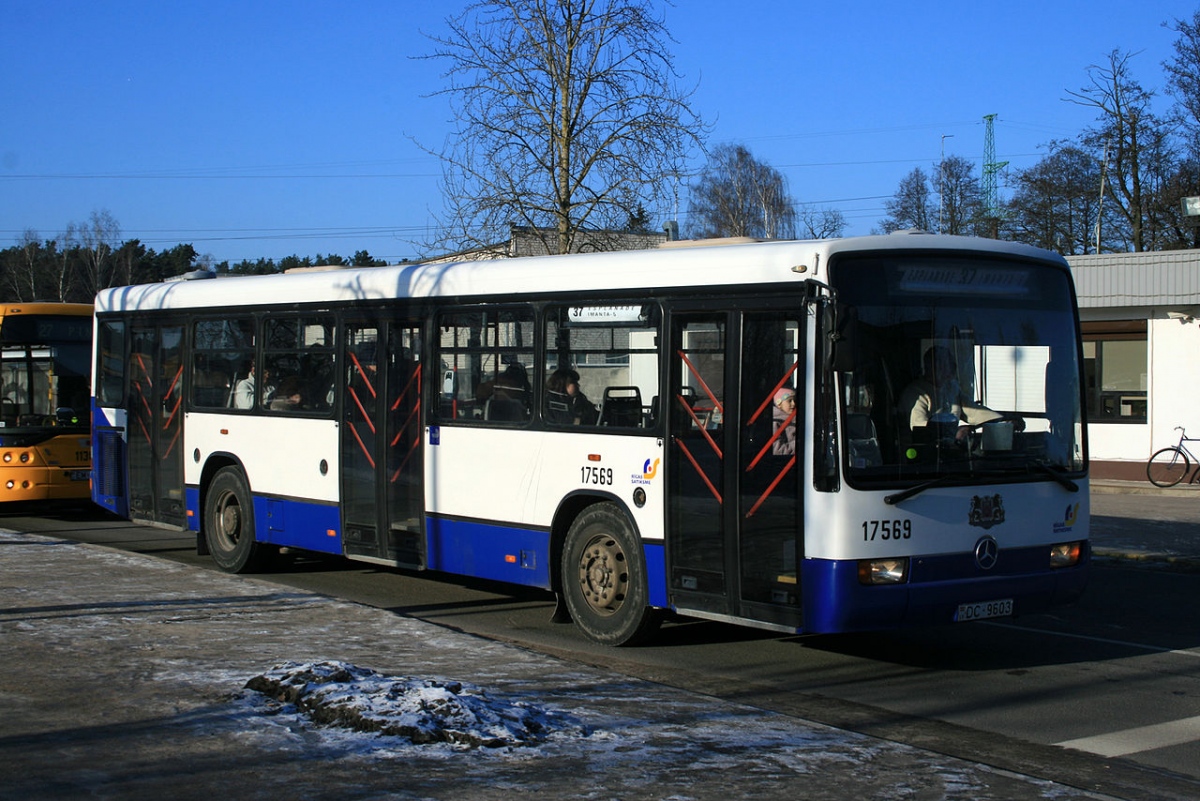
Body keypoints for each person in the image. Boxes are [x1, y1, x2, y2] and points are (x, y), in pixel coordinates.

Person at [899, 346, 1009, 441]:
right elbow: (920, 428)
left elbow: (974, 412)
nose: (951, 368)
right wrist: (955, 432)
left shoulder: (951, 388)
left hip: (951, 451)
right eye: (944, 364)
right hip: (926, 456)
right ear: (931, 368)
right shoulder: (916, 394)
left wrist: (1004, 422)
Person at [772, 387, 797, 455]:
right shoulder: (776, 422)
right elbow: (778, 450)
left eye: (795, 400)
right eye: (789, 401)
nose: (793, 404)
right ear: (779, 404)